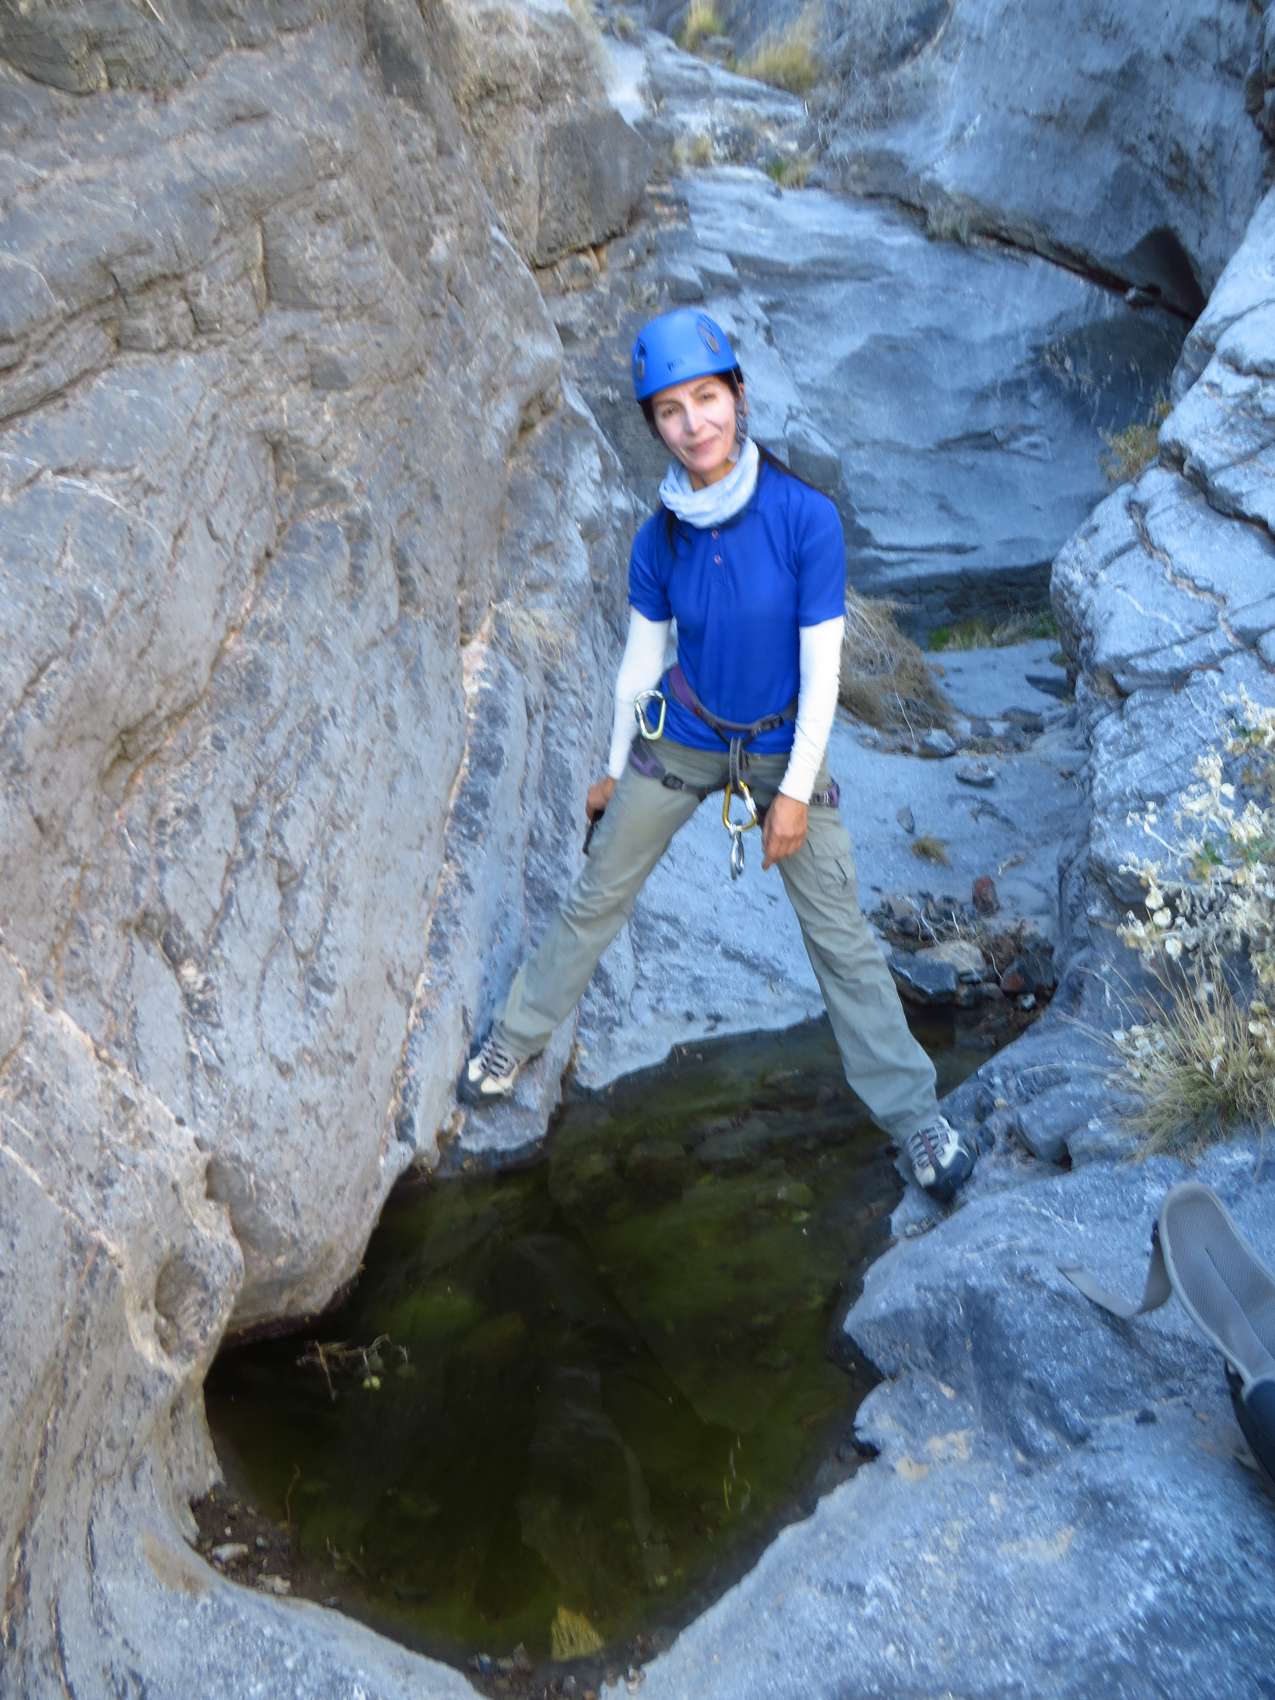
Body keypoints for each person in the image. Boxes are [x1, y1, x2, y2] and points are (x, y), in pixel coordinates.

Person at [461, 308, 976, 1203]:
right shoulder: (659, 537)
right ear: (654, 425)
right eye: (670, 410)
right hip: (686, 736)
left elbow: (822, 674)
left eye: (706, 398)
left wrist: (795, 793)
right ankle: (515, 1036)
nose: (692, 423)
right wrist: (614, 767)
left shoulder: (802, 518)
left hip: (783, 743)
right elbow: (640, 664)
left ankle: (913, 1118)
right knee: (597, 894)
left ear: (737, 395)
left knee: (841, 939)